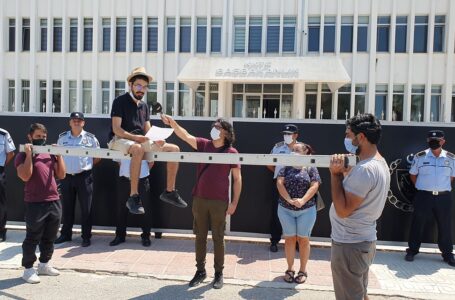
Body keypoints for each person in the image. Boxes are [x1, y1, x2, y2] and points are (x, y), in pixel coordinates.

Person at [161, 115, 242, 289]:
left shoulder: (232, 153)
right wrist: (172, 123)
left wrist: (234, 203)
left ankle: (219, 273)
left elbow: (237, 179)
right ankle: (200, 271)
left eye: (218, 127)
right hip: (199, 198)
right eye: (214, 126)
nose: (214, 128)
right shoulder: (204, 144)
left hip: (219, 201)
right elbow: (185, 135)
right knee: (200, 237)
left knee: (218, 238)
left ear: (226, 133)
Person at [108, 66, 187, 214]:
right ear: (130, 85)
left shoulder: (144, 106)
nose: (141, 89)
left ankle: (169, 192)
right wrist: (136, 138)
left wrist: (158, 140)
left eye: (145, 87)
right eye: (138, 85)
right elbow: (116, 129)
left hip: (139, 142)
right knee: (138, 148)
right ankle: (133, 196)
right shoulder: (119, 101)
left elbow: (148, 131)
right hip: (119, 140)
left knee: (174, 149)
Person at [329, 113, 390, 300]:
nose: (346, 139)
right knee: (360, 293)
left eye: (349, 135)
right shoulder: (378, 163)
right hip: (361, 242)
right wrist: (348, 174)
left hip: (350, 246)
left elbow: (343, 210)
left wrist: (335, 174)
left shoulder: (365, 169)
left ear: (361, 137)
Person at [15, 123, 66, 284]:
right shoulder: (21, 155)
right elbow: (25, 176)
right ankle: (28, 269)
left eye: (43, 137)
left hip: (53, 200)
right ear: (30, 137)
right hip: (35, 202)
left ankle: (44, 265)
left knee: (50, 236)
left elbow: (62, 174)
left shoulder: (48, 153)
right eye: (37, 137)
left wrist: (59, 155)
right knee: (33, 237)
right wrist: (30, 155)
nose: (41, 139)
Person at [405, 130, 455, 266]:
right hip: (423, 196)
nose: (434, 142)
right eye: (431, 140)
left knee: (445, 225)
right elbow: (413, 175)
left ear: (443, 141)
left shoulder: (451, 158)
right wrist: (423, 187)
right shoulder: (420, 157)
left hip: (443, 197)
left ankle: (447, 254)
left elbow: (452, 177)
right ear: (428, 141)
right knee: (417, 223)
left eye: (437, 140)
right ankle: (412, 250)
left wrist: (438, 187)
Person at [276, 142, 320, 284]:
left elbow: (315, 185)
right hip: (285, 209)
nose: (293, 152)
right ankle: (290, 269)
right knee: (289, 239)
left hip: (306, 210)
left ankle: (303, 270)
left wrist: (302, 200)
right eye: (292, 150)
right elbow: (279, 183)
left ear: (305, 152)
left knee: (303, 240)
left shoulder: (311, 166)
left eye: (296, 150)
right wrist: (289, 200)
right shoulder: (285, 165)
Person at [54, 112, 100, 247]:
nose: (76, 122)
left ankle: (86, 237)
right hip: (67, 177)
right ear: (70, 122)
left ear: (83, 123)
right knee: (67, 208)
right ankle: (65, 234)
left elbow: (97, 157)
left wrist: (86, 166)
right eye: (74, 120)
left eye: (79, 120)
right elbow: (58, 157)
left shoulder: (91, 139)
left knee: (86, 208)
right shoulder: (62, 138)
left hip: (84, 177)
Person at [110, 158, 161, 247]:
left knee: (145, 208)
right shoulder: (122, 143)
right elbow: (119, 161)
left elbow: (151, 162)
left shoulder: (145, 144)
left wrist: (140, 174)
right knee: (121, 208)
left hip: (142, 180)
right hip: (124, 179)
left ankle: (146, 236)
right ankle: (120, 236)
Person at [266, 124, 301, 253]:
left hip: (297, 184)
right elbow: (269, 164)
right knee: (276, 212)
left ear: (296, 135)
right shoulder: (278, 147)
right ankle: (275, 240)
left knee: (297, 212)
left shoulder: (302, 148)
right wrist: (280, 174)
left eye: (289, 134)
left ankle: (297, 241)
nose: (286, 136)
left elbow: (308, 166)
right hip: (279, 184)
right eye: (285, 134)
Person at [0, 127, 15, 242]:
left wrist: (2, 165)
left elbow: (10, 153)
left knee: (1, 203)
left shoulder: (3, 133)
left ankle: (1, 231)